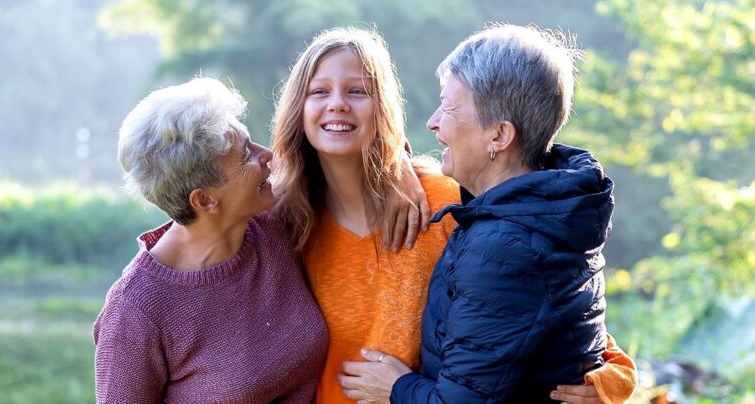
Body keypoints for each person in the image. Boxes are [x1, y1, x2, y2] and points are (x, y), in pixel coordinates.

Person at [271, 27, 636, 404]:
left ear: (385, 109)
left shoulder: (446, 206)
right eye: (319, 91)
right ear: (297, 106)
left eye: (357, 91)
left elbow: (542, 301)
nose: (337, 104)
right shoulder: (283, 224)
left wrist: (611, 376)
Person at [93, 77, 328, 403]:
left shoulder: (273, 225)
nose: (267, 154)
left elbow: (355, 175)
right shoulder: (136, 311)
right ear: (204, 201)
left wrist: (404, 171)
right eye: (246, 155)